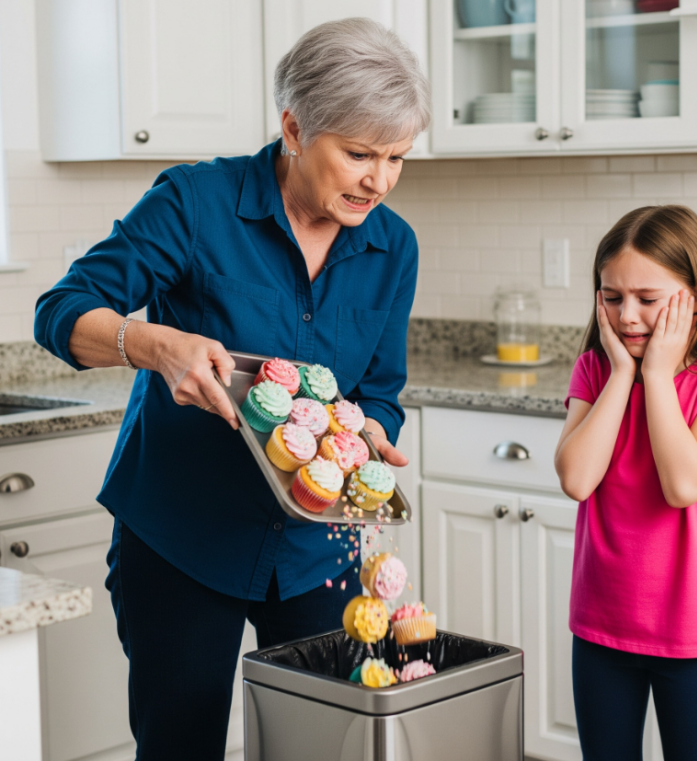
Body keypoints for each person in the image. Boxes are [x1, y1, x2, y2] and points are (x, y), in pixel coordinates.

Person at [34, 17, 430, 761]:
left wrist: (373, 434)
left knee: (326, 745)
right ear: (293, 127)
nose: (379, 180)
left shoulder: (394, 246)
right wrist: (152, 343)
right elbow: (59, 312)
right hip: (184, 543)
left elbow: (379, 389)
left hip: (317, 550)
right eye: (358, 154)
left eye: (397, 157)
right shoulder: (194, 202)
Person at [554, 205, 697, 761]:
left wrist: (653, 374)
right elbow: (576, 479)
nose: (627, 316)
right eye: (611, 296)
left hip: (693, 634)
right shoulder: (597, 371)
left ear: (694, 295)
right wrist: (624, 373)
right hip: (601, 627)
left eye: (648, 300)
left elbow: (683, 483)